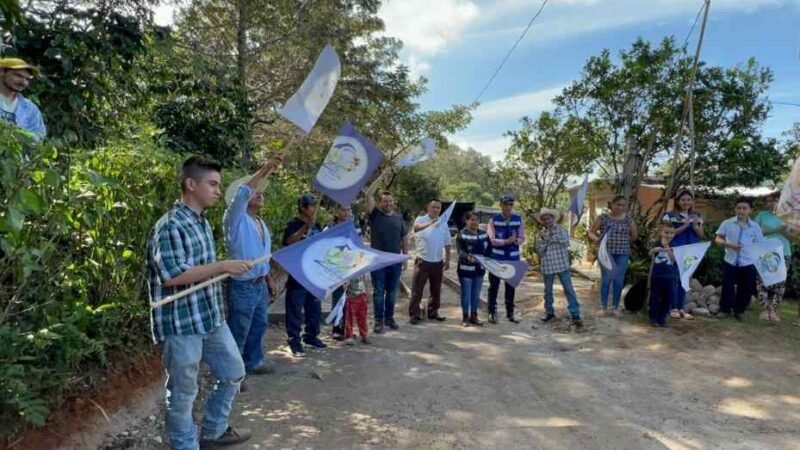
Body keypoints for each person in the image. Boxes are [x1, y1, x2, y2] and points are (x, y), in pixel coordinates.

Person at [146, 156, 252, 449]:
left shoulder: (202, 223)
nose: (218, 190)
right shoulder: (169, 226)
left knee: (233, 373)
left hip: (210, 318)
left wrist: (223, 267)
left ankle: (213, 432)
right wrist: (223, 266)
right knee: (183, 393)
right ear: (191, 184)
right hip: (181, 325)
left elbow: (203, 270)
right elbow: (172, 275)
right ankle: (185, 445)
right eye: (213, 184)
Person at [222, 154, 284, 383]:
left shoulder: (260, 223)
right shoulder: (234, 218)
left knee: (259, 324)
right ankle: (233, 374)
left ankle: (253, 362)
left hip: (258, 285)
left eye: (261, 191)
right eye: (255, 191)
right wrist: (266, 168)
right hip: (242, 285)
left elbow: (263, 257)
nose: (260, 193)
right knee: (239, 329)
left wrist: (268, 280)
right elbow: (242, 193)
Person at [282, 193, 325, 356]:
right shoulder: (293, 224)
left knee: (314, 308)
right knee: (294, 309)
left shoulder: (317, 225)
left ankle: (311, 336)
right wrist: (305, 228)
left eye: (315, 205)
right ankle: (294, 340)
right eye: (312, 205)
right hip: (298, 274)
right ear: (302, 207)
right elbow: (289, 242)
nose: (315, 208)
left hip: (313, 273)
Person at [365, 172, 408, 334]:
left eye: (390, 201)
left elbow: (404, 238)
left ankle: (389, 318)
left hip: (395, 261)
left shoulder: (398, 218)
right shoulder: (375, 215)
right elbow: (368, 194)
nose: (388, 203)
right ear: (380, 203)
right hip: (377, 261)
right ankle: (378, 321)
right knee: (378, 292)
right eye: (384, 201)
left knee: (392, 292)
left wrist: (404, 257)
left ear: (394, 203)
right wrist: (382, 175)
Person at [714, 197, 764, 321]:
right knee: (727, 286)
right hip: (730, 260)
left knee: (746, 288)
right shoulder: (727, 223)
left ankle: (739, 311)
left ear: (750, 210)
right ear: (735, 209)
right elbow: (718, 239)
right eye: (739, 208)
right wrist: (729, 245)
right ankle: (724, 309)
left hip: (748, 262)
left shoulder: (755, 227)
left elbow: (760, 244)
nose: (741, 211)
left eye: (744, 208)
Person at [589, 195, 639, 316]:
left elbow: (634, 236)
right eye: (618, 204)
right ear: (611, 204)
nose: (620, 207)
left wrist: (624, 241)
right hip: (606, 253)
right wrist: (597, 240)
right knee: (606, 279)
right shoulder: (604, 218)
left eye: (623, 205)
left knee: (618, 280)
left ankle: (615, 307)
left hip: (622, 253)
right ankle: (603, 306)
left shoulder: (628, 218)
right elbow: (591, 232)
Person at [534, 208, 583, 327]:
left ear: (553, 218)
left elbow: (565, 241)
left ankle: (575, 314)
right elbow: (539, 251)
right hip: (548, 265)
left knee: (569, 289)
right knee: (548, 291)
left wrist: (547, 239)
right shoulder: (539, 234)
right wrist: (549, 240)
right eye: (544, 219)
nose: (547, 221)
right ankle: (549, 312)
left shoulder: (561, 229)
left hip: (562, 264)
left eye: (548, 218)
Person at [409, 199, 452, 324]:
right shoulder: (420, 219)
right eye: (433, 207)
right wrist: (430, 223)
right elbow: (416, 229)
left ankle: (433, 312)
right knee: (417, 290)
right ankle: (414, 314)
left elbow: (447, 242)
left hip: (437, 261)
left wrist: (448, 259)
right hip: (423, 260)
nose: (436, 209)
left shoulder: (444, 223)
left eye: (438, 208)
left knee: (436, 289)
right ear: (428, 207)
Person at [662, 189, 703, 319]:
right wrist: (685, 225)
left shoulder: (697, 215)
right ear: (678, 202)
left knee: (684, 281)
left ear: (692, 201)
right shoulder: (670, 215)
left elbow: (701, 234)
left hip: (691, 252)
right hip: (675, 250)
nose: (686, 202)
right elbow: (666, 233)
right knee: (673, 279)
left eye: (689, 200)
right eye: (683, 200)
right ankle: (671, 307)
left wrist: (696, 226)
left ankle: (680, 307)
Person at [486, 194, 525, 324]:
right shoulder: (493, 220)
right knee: (494, 286)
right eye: (505, 204)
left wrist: (516, 241)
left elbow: (521, 238)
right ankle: (492, 312)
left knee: (510, 286)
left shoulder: (518, 219)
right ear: (500, 204)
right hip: (496, 258)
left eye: (510, 204)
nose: (508, 207)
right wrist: (506, 241)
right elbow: (491, 240)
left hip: (513, 259)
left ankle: (510, 313)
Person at [754, 192, 792, 322]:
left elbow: (793, 237)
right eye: (768, 201)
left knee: (780, 282)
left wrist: (785, 230)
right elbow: (756, 233)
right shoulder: (762, 215)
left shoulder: (788, 216)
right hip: (765, 252)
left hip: (784, 252)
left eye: (774, 201)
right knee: (762, 281)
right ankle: (764, 309)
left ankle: (773, 310)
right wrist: (777, 230)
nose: (770, 203)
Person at [326, 205, 361, 340]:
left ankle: (347, 328)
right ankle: (337, 328)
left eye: (348, 210)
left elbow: (358, 246)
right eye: (342, 209)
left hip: (351, 266)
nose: (346, 212)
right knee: (338, 298)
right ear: (336, 211)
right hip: (336, 267)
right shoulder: (330, 228)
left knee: (350, 299)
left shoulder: (355, 226)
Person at [456, 211, 490, 327]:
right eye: (472, 220)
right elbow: (460, 251)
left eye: (476, 220)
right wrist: (468, 257)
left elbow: (489, 250)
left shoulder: (484, 234)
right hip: (465, 270)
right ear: (467, 221)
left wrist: (488, 260)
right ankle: (465, 317)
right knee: (466, 294)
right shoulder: (462, 235)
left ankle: (474, 317)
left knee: (476, 295)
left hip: (479, 270)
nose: (475, 222)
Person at [0, 58, 45, 140]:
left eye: (27, 79)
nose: (23, 82)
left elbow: (38, 137)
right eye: (18, 76)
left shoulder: (31, 109)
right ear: (2, 72)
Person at [648, 222, 679, 328]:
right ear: (661, 232)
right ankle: (653, 318)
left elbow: (674, 259)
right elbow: (650, 254)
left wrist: (667, 247)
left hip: (670, 277)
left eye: (672, 233)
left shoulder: (675, 245)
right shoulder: (656, 243)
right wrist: (654, 250)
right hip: (656, 276)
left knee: (668, 298)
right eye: (666, 232)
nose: (669, 235)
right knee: (654, 297)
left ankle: (662, 319)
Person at [343, 276, 370, 345]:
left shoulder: (361, 268)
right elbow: (344, 285)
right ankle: (349, 336)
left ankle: (364, 335)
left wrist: (366, 293)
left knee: (363, 317)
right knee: (350, 318)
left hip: (362, 295)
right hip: (352, 296)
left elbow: (364, 280)